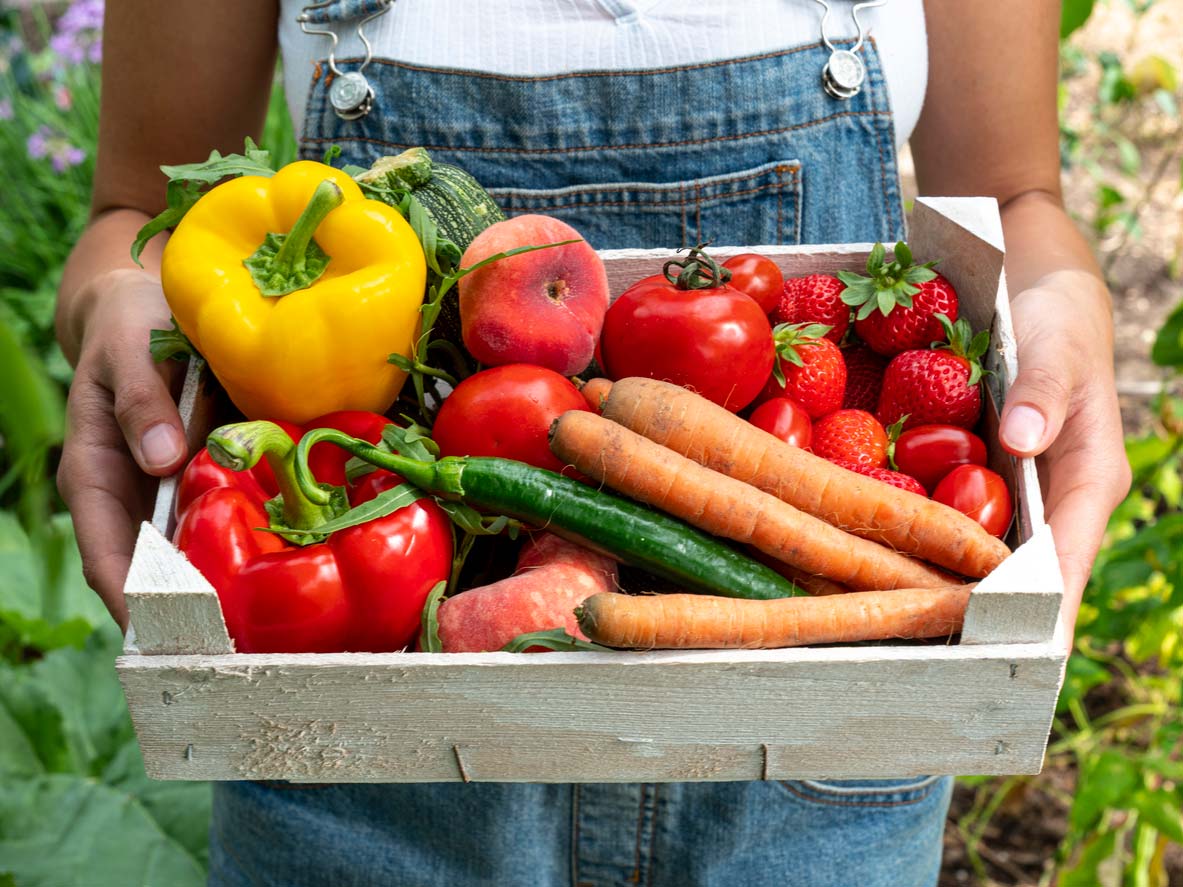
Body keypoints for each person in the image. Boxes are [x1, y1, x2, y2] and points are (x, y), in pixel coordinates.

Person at [56, 1, 1131, 885]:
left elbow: (1011, 195)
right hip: (362, 740)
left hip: (821, 739)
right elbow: (138, 211)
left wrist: (1064, 298)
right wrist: (113, 297)